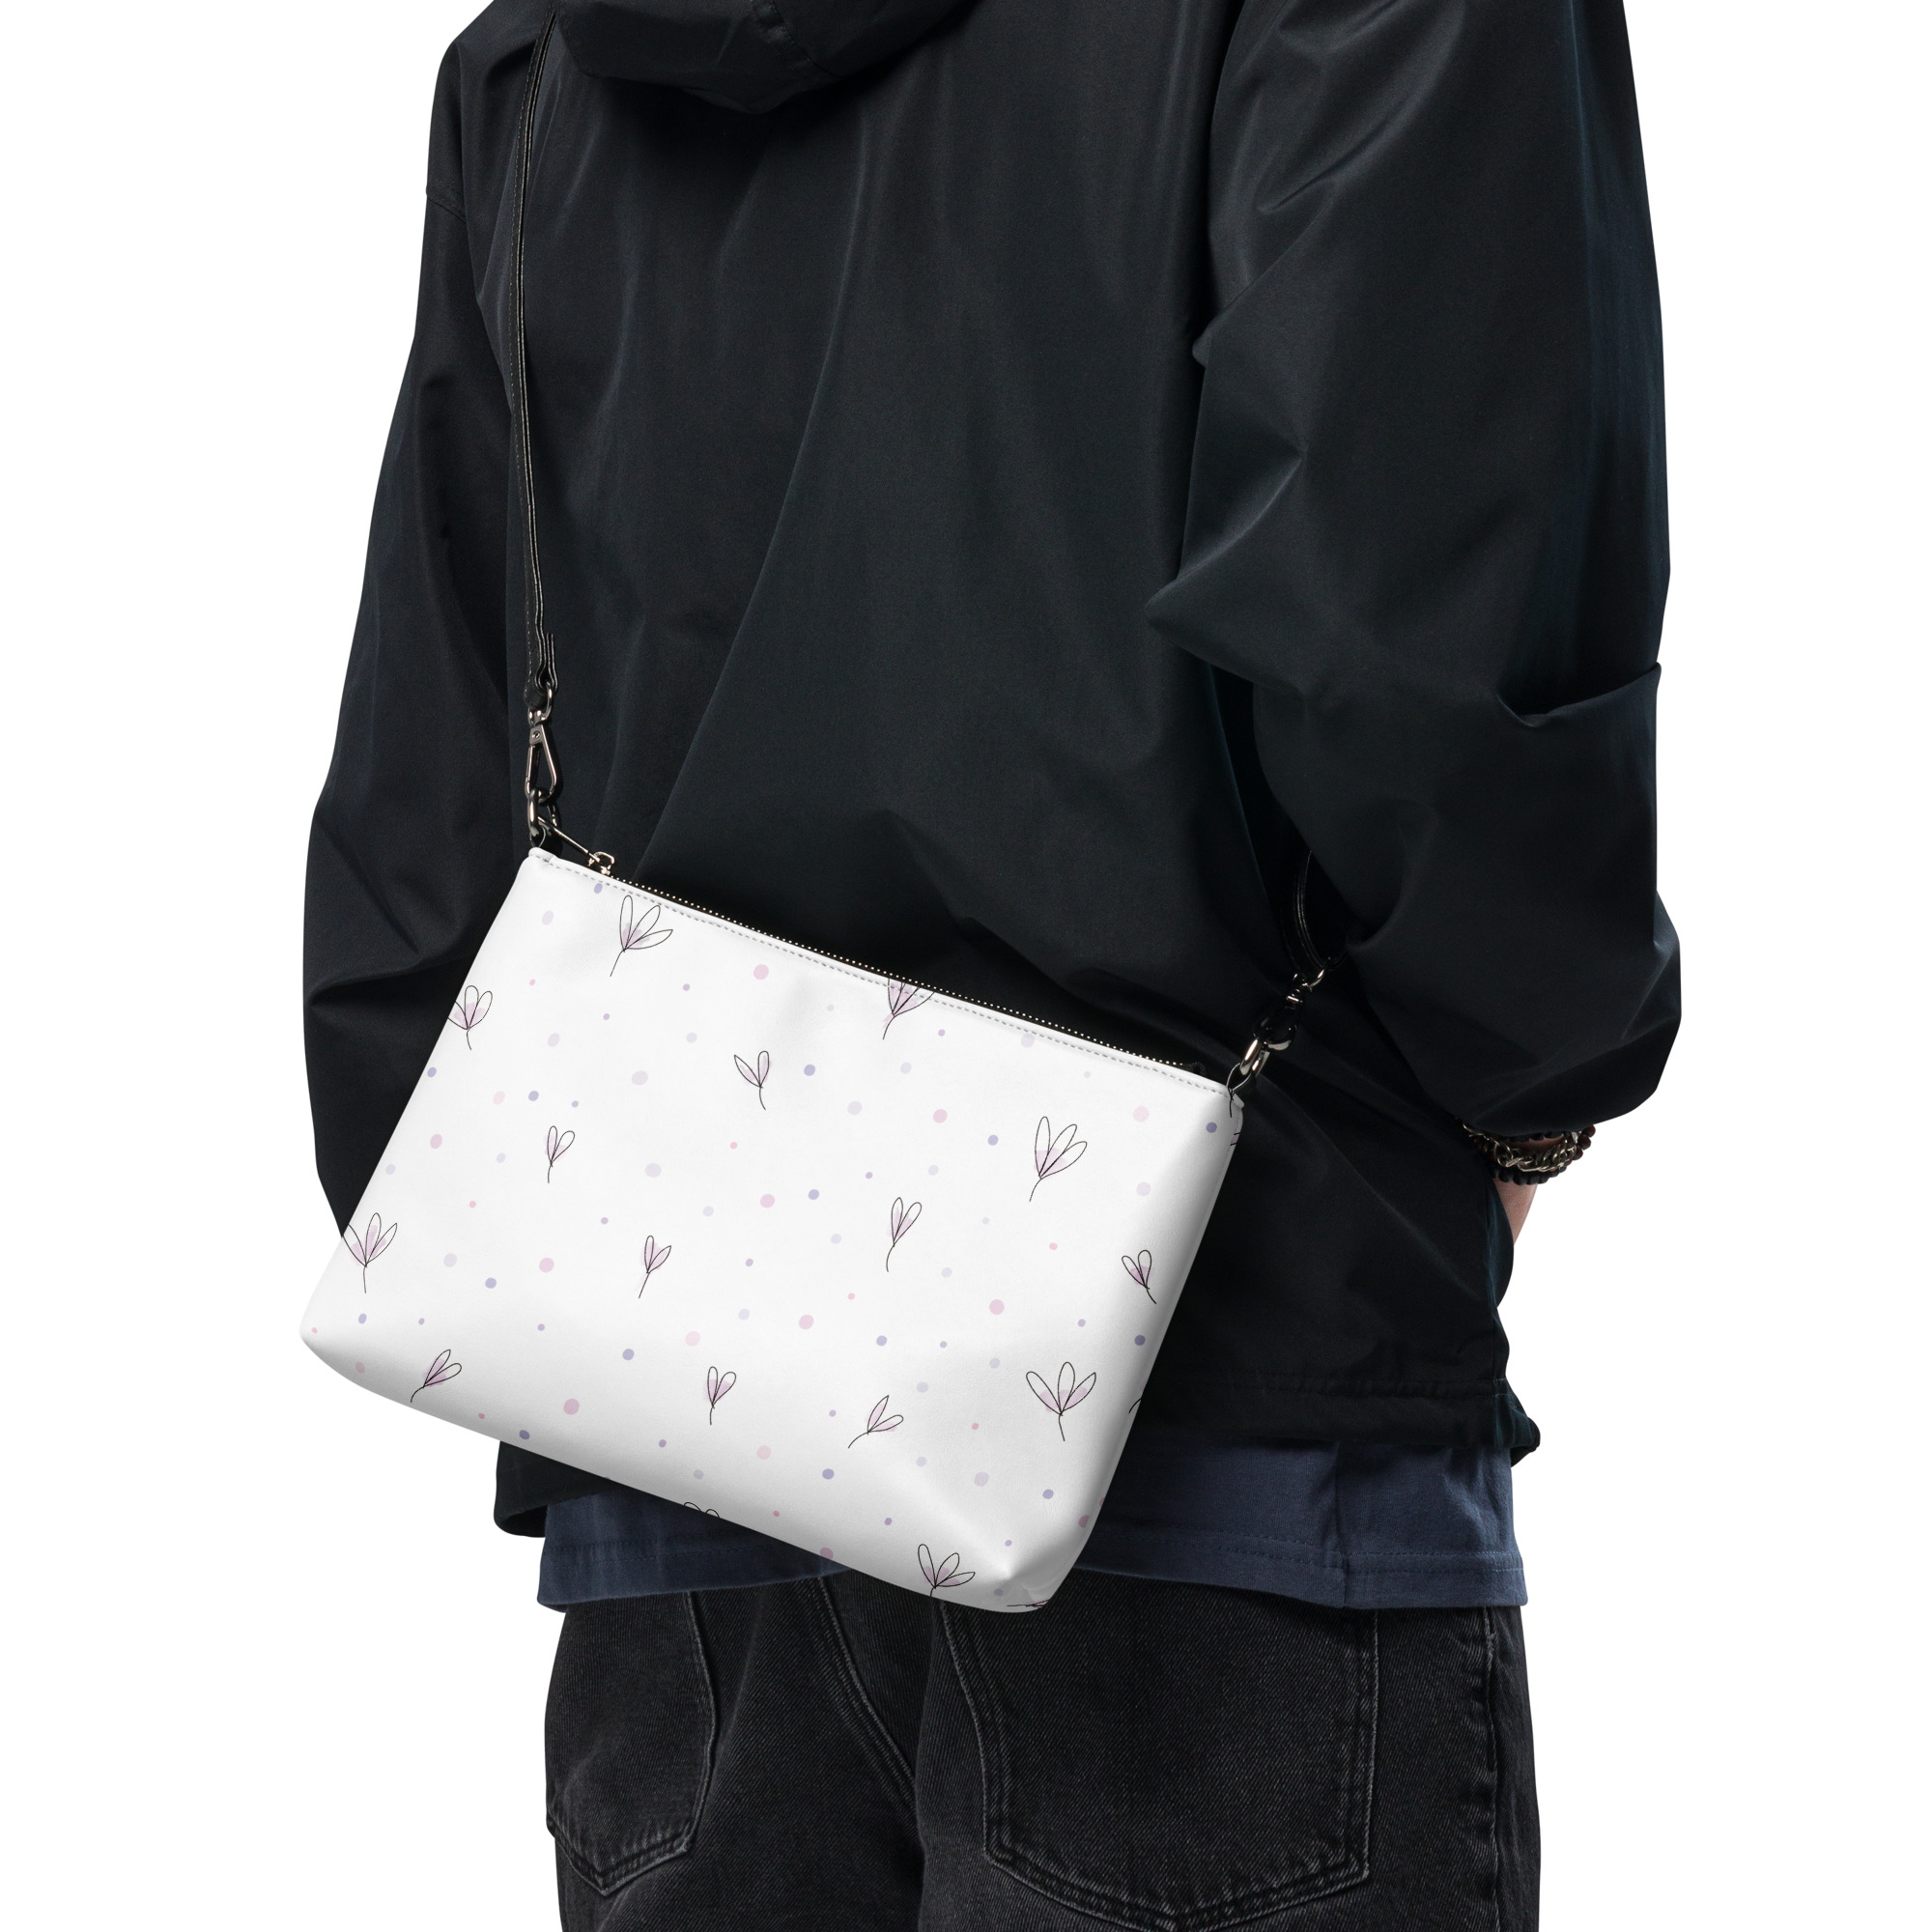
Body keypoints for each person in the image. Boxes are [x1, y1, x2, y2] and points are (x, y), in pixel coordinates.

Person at [304, 2, 1676, 1925]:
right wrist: (1526, 1088)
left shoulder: (548, 50)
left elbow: (426, 805)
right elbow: (1417, 644)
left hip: (682, 1461)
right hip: (1245, 1408)